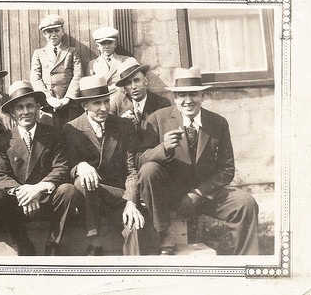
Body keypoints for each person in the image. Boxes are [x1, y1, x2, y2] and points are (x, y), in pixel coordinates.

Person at [137, 66, 259, 255]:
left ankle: (246, 265)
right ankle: (163, 234)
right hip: (168, 196)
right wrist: (164, 148)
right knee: (148, 170)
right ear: (175, 98)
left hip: (204, 194)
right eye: (182, 95)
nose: (188, 101)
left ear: (203, 97)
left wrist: (198, 193)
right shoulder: (157, 119)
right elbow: (140, 160)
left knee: (246, 203)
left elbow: (226, 169)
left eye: (193, 94)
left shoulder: (218, 122)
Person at [0, 80, 77, 255]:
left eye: (30, 106)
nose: (26, 112)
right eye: (20, 108)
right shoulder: (4, 140)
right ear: (12, 113)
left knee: (68, 190)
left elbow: (61, 168)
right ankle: (22, 242)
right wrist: (23, 193)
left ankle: (53, 244)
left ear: (38, 108)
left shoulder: (53, 134)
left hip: (46, 202)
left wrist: (38, 189)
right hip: (18, 204)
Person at [63, 76, 145, 256]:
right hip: (91, 196)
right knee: (80, 181)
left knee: (134, 224)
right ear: (84, 105)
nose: (104, 108)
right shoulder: (72, 128)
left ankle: (135, 270)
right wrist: (80, 165)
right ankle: (94, 242)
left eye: (106, 101)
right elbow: (67, 166)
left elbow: (132, 169)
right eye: (96, 103)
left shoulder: (124, 126)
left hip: (118, 193)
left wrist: (131, 201)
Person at [30, 14, 84, 128]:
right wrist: (48, 98)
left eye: (56, 30)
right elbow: (35, 78)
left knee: (71, 134)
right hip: (48, 105)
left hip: (69, 104)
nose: (53, 34)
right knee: (51, 136)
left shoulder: (71, 51)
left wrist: (68, 98)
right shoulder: (39, 53)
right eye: (49, 31)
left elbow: (78, 75)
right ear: (44, 34)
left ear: (62, 31)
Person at [111, 57, 171, 130]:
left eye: (136, 80)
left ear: (145, 81)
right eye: (128, 83)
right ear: (125, 88)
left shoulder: (162, 104)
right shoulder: (117, 104)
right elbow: (110, 133)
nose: (133, 87)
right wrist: (121, 123)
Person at [85, 26, 130, 91]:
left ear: (115, 44)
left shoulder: (126, 60)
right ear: (98, 46)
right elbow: (90, 88)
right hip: (103, 100)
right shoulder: (92, 64)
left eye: (109, 42)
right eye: (103, 43)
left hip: (121, 99)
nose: (106, 46)